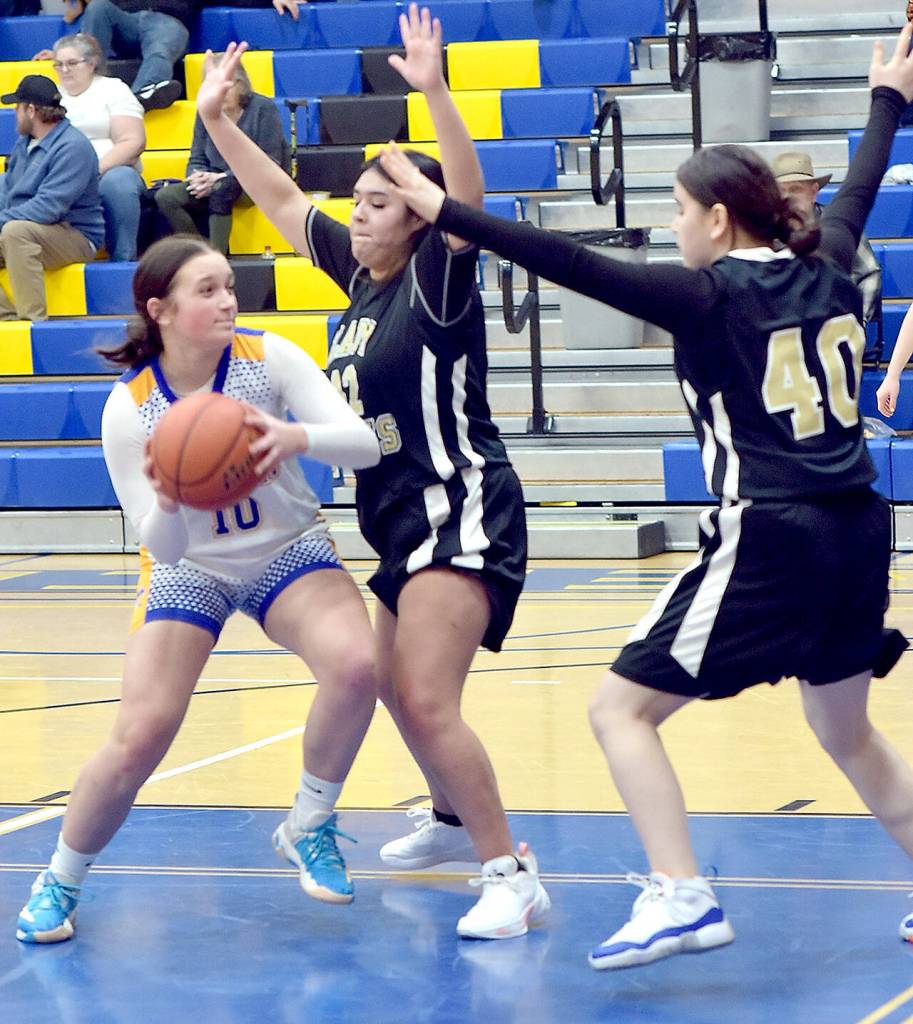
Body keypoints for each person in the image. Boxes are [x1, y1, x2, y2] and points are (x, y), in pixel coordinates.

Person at [379, 25, 913, 968]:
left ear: (716, 220)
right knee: (844, 725)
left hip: (773, 530)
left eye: (675, 209)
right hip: (864, 525)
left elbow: (568, 263)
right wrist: (887, 102)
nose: (670, 227)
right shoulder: (827, 261)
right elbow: (859, 188)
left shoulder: (706, 295)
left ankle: (682, 893)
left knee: (619, 711)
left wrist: (445, 211)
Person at [194, 5, 550, 940]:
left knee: (426, 697)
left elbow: (462, 201)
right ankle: (446, 817)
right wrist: (221, 122)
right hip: (398, 519)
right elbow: (278, 203)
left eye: (379, 201)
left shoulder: (436, 277)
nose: (358, 211)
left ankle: (507, 870)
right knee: (393, 684)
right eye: (356, 200)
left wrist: (431, 92)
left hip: (462, 506)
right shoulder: (359, 282)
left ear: (419, 219)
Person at [16, 234, 382, 943]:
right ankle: (60, 878)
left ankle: (309, 822)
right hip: (191, 569)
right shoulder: (132, 408)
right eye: (207, 290)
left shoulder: (267, 358)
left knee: (357, 665)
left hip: (288, 549)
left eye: (228, 286)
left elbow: (363, 443)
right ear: (160, 309)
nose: (227, 300)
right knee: (140, 732)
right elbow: (160, 544)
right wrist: (174, 497)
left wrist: (296, 437)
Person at [155, 56, 289, 256]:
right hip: (214, 180)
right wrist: (196, 178)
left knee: (222, 189)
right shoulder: (205, 111)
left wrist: (222, 177)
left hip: (257, 181)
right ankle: (201, 252)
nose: (221, 92)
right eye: (214, 85)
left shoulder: (263, 108)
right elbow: (197, 157)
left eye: (227, 84)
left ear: (241, 84)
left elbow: (271, 161)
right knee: (166, 197)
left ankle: (218, 258)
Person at [0, 73, 104, 321]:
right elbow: (9, 192)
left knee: (16, 232)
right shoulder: (24, 144)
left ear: (31, 110)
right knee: (14, 229)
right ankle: (7, 319)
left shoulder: (72, 147)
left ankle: (33, 322)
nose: (15, 112)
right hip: (29, 227)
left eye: (18, 107)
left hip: (75, 234)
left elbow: (49, 208)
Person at [50, 32, 146, 261]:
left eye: (72, 63)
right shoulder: (52, 95)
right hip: (63, 176)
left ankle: (123, 261)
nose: (64, 70)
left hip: (110, 171)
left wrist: (92, 172)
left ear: (91, 63)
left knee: (119, 182)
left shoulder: (113, 89)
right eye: (58, 64)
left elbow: (133, 142)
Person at [772, 150, 882, 326]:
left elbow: (869, 273)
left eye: (795, 189)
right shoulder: (764, 231)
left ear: (814, 191)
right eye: (781, 191)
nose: (787, 198)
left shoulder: (840, 226)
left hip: (838, 325)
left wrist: (858, 320)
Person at [34, 0, 201, 112]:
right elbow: (95, 15)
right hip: (124, 20)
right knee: (99, 6)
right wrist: (69, 49)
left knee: (159, 49)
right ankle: (85, 85)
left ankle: (140, 96)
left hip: (166, 19)